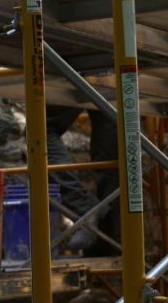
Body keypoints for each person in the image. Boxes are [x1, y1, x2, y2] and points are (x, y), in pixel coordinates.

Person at [46, 105, 120, 256]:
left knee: (39, 131)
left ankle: (86, 209)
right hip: (119, 84)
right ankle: (109, 243)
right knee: (110, 161)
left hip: (96, 82)